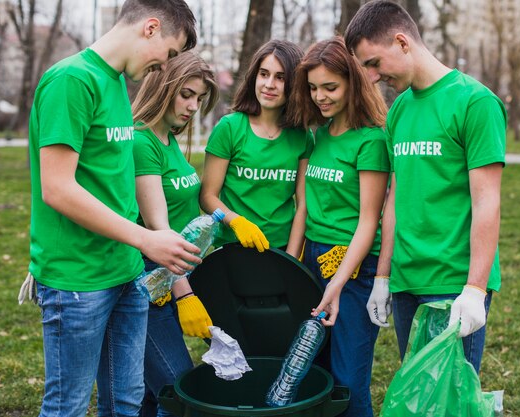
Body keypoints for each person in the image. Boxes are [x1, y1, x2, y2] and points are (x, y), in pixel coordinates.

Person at [26, 1, 201, 416]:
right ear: (150, 28)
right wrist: (147, 238)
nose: (165, 66)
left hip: (125, 274)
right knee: (67, 406)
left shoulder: (117, 83)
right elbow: (57, 188)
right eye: (170, 53)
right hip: (78, 281)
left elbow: (107, 183)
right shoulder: (71, 80)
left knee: (126, 402)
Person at [344, 0, 506, 374]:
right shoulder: (399, 110)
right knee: (418, 394)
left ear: (402, 42)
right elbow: (395, 199)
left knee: (450, 397)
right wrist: (383, 277)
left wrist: (475, 289)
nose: (371, 77)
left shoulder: (475, 102)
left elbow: (487, 202)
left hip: (453, 283)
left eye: (373, 63)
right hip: (405, 280)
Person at [288, 36, 389, 417]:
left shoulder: (371, 140)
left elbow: (369, 221)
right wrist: (293, 262)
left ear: (353, 82)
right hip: (314, 258)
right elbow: (306, 204)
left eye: (330, 87)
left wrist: (339, 282)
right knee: (315, 369)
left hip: (353, 265)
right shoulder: (318, 135)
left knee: (348, 379)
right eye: (313, 88)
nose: (320, 96)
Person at [131, 52, 219, 417]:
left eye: (198, 98)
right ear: (162, 86)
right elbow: (158, 227)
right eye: (185, 94)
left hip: (175, 278)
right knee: (181, 393)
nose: (192, 106)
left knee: (154, 396)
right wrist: (184, 295)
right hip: (152, 286)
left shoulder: (168, 141)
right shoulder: (141, 142)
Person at [199, 40, 311, 257]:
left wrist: (292, 257)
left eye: (280, 77)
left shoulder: (303, 136)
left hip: (281, 251)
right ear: (254, 77)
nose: (269, 84)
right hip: (232, 249)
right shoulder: (229, 128)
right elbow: (207, 196)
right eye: (264, 74)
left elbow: (303, 204)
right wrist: (235, 221)